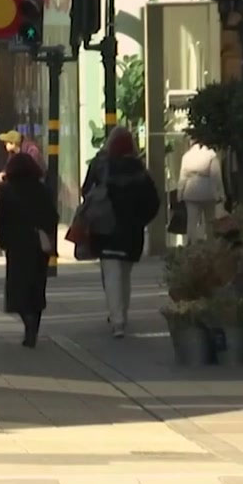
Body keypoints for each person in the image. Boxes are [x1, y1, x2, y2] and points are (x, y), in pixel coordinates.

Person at [81, 127, 159, 338]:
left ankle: (117, 320)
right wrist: (141, 221)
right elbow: (153, 202)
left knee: (112, 275)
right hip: (131, 233)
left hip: (105, 229)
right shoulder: (139, 170)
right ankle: (121, 313)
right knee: (124, 275)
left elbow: (85, 190)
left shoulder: (100, 166)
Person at [0, 153, 57, 348]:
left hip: (17, 244)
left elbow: (0, 220)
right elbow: (52, 216)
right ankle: (33, 327)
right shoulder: (43, 189)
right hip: (39, 244)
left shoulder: (6, 190)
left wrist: (2, 240)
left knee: (18, 286)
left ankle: (27, 322)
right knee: (37, 286)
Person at [178, 142, 226, 242]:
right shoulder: (211, 155)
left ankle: (192, 244)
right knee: (210, 220)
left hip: (190, 192)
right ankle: (210, 243)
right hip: (208, 192)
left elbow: (183, 177)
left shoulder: (187, 156)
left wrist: (180, 194)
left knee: (191, 222)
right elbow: (216, 176)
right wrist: (220, 193)